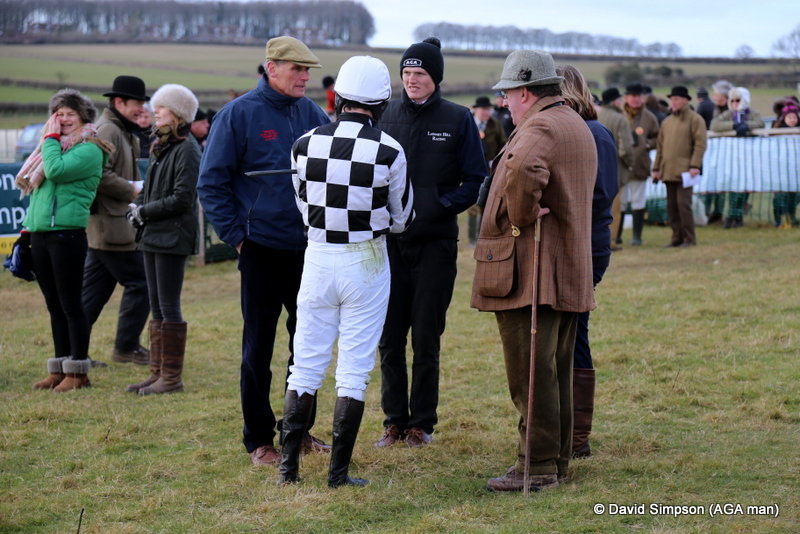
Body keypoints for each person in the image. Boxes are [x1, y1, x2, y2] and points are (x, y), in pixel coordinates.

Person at [278, 56, 415, 488]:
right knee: (353, 370)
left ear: (338, 96)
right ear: (381, 101)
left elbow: (303, 206)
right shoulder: (390, 150)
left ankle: (288, 471)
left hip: (317, 257)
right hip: (367, 261)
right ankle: (338, 474)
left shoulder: (303, 144)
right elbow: (402, 217)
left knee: (305, 364)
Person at [198, 36, 331, 466]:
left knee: (306, 345)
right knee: (258, 347)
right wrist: (238, 237)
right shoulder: (237, 115)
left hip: (308, 250)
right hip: (259, 249)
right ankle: (258, 440)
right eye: (298, 69)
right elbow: (211, 183)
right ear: (271, 67)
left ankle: (300, 431)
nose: (306, 77)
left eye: (308, 70)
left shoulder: (313, 114)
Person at [471, 50, 597, 492]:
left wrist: (519, 216)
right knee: (554, 368)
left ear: (525, 91)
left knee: (531, 373)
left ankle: (537, 466)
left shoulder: (540, 126)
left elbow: (523, 168)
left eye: (507, 94)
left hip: (532, 270)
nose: (504, 102)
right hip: (561, 267)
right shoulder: (572, 121)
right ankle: (555, 461)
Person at [375, 37, 486, 448]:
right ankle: (393, 421)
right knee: (389, 338)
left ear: (435, 77)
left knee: (426, 336)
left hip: (435, 245)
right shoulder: (383, 115)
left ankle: (421, 424)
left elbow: (476, 180)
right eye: (406, 73)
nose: (411, 80)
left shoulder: (458, 119)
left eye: (419, 73)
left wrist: (439, 205)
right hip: (389, 246)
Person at [16, 89, 113, 391]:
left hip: (67, 235)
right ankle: (58, 369)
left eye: (70, 113)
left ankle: (79, 372)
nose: (63, 118)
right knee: (54, 305)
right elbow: (40, 195)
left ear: (84, 116)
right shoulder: (55, 148)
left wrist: (49, 139)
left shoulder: (90, 149)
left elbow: (55, 171)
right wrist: (27, 230)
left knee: (72, 305)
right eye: (58, 113)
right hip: (42, 234)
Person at [555, 65, 618, 459]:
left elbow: (601, 195)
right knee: (565, 331)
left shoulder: (595, 134)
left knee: (574, 331)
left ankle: (577, 436)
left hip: (585, 247)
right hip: (570, 244)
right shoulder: (571, 131)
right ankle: (566, 429)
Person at [126, 84, 202, 396]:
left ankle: (171, 378)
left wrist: (145, 212)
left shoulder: (187, 149)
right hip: (153, 234)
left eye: (162, 108)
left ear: (178, 113)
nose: (154, 112)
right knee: (156, 305)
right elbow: (150, 188)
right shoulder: (162, 144)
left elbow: (183, 199)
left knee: (169, 305)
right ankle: (157, 372)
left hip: (172, 236)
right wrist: (137, 207)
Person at [83, 75, 151, 367]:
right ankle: (125, 348)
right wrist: (132, 188)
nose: (141, 109)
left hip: (109, 227)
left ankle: (73, 354)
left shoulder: (121, 130)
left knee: (91, 297)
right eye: (137, 103)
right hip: (111, 227)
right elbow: (96, 174)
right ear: (119, 102)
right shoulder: (109, 130)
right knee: (143, 283)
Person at [652, 86, 707, 248]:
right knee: (672, 207)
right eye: (672, 99)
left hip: (686, 172)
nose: (673, 102)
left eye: (677, 99)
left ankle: (689, 238)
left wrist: (695, 165)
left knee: (684, 206)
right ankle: (677, 237)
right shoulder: (667, 122)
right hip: (668, 171)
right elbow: (660, 148)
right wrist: (656, 169)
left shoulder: (696, 120)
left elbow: (700, 144)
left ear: (686, 101)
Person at [711, 86, 765, 229]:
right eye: (732, 100)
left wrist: (746, 126)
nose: (735, 103)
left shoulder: (753, 113)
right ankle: (731, 216)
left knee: (745, 187)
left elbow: (760, 123)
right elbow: (715, 125)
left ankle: (737, 216)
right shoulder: (728, 114)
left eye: (738, 100)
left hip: (749, 158)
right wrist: (734, 125)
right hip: (732, 158)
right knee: (733, 186)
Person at [621, 82, 660, 246]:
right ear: (626, 97)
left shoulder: (649, 117)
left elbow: (657, 139)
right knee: (620, 201)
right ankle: (616, 235)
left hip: (640, 164)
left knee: (638, 200)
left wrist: (645, 144)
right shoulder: (619, 115)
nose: (637, 99)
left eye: (639, 96)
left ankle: (637, 236)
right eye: (633, 96)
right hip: (621, 165)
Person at [467, 96, 507, 246]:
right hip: (470, 170)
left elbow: (503, 144)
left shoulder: (494, 124)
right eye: (483, 109)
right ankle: (472, 239)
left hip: (489, 171)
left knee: (486, 205)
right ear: (476, 110)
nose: (486, 112)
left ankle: (481, 237)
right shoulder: (468, 122)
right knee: (472, 206)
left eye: (488, 109)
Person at [597, 87, 633, 251]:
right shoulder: (620, 119)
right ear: (615, 101)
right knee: (615, 208)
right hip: (615, 169)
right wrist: (630, 163)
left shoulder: (595, 115)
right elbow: (626, 148)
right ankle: (610, 241)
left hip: (594, 169)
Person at [703, 80, 734, 224]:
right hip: (716, 149)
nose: (714, 97)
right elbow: (715, 126)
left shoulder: (732, 108)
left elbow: (716, 125)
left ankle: (732, 213)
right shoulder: (716, 108)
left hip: (730, 150)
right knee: (714, 180)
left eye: (716, 94)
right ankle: (715, 212)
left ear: (724, 95)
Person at [772, 102, 800, 228]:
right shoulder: (777, 132)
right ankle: (780, 219)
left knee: (793, 195)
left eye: (794, 117)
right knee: (781, 195)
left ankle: (791, 217)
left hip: (795, 169)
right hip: (781, 168)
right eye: (790, 117)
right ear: (784, 118)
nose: (792, 120)